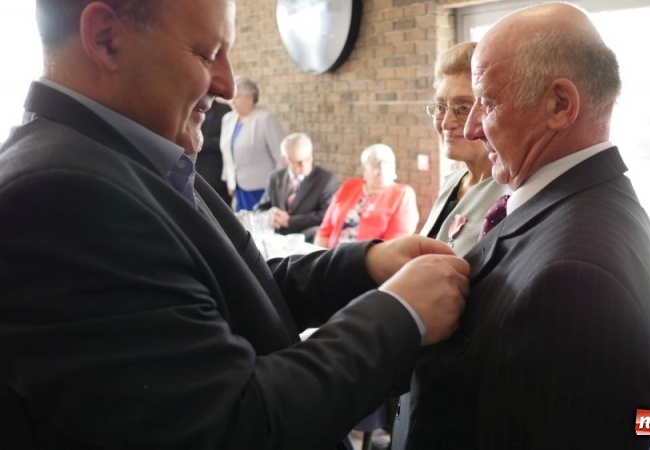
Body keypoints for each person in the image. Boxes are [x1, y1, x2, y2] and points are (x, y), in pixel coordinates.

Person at [0, 1, 471, 449]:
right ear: (105, 40)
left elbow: (234, 294)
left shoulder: (141, 156)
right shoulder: (62, 195)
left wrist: (366, 265)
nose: (227, 85)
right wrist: (399, 313)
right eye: (207, 54)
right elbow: (232, 425)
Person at [393, 3, 650, 450]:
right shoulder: (562, 208)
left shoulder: (575, 274)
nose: (471, 127)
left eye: (487, 101)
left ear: (560, 105)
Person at [419, 42, 509, 257]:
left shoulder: (509, 196)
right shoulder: (453, 182)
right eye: (441, 108)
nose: (446, 122)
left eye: (463, 109)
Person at [315, 144, 419, 249]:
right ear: (364, 169)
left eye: (387, 162)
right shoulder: (349, 186)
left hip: (370, 261)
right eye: (376, 163)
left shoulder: (402, 194)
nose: (382, 167)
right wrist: (320, 258)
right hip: (332, 256)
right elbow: (325, 230)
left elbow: (395, 243)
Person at [256, 132, 340, 243]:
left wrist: (290, 221)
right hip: (276, 239)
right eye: (298, 162)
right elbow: (261, 208)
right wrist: (270, 215)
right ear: (286, 159)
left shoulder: (326, 180)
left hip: (307, 239)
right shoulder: (276, 177)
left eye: (308, 159)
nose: (305, 166)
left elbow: (327, 216)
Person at [220, 76, 286, 211]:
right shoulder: (228, 119)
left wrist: (279, 187)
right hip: (237, 186)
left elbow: (280, 156)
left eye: (237, 96)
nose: (232, 101)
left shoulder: (265, 119)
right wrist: (229, 180)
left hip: (261, 187)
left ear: (250, 98)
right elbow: (226, 152)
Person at [197, 98, 233, 204]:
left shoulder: (224, 110)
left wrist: (202, 142)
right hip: (198, 168)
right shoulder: (194, 109)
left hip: (216, 169)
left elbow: (226, 141)